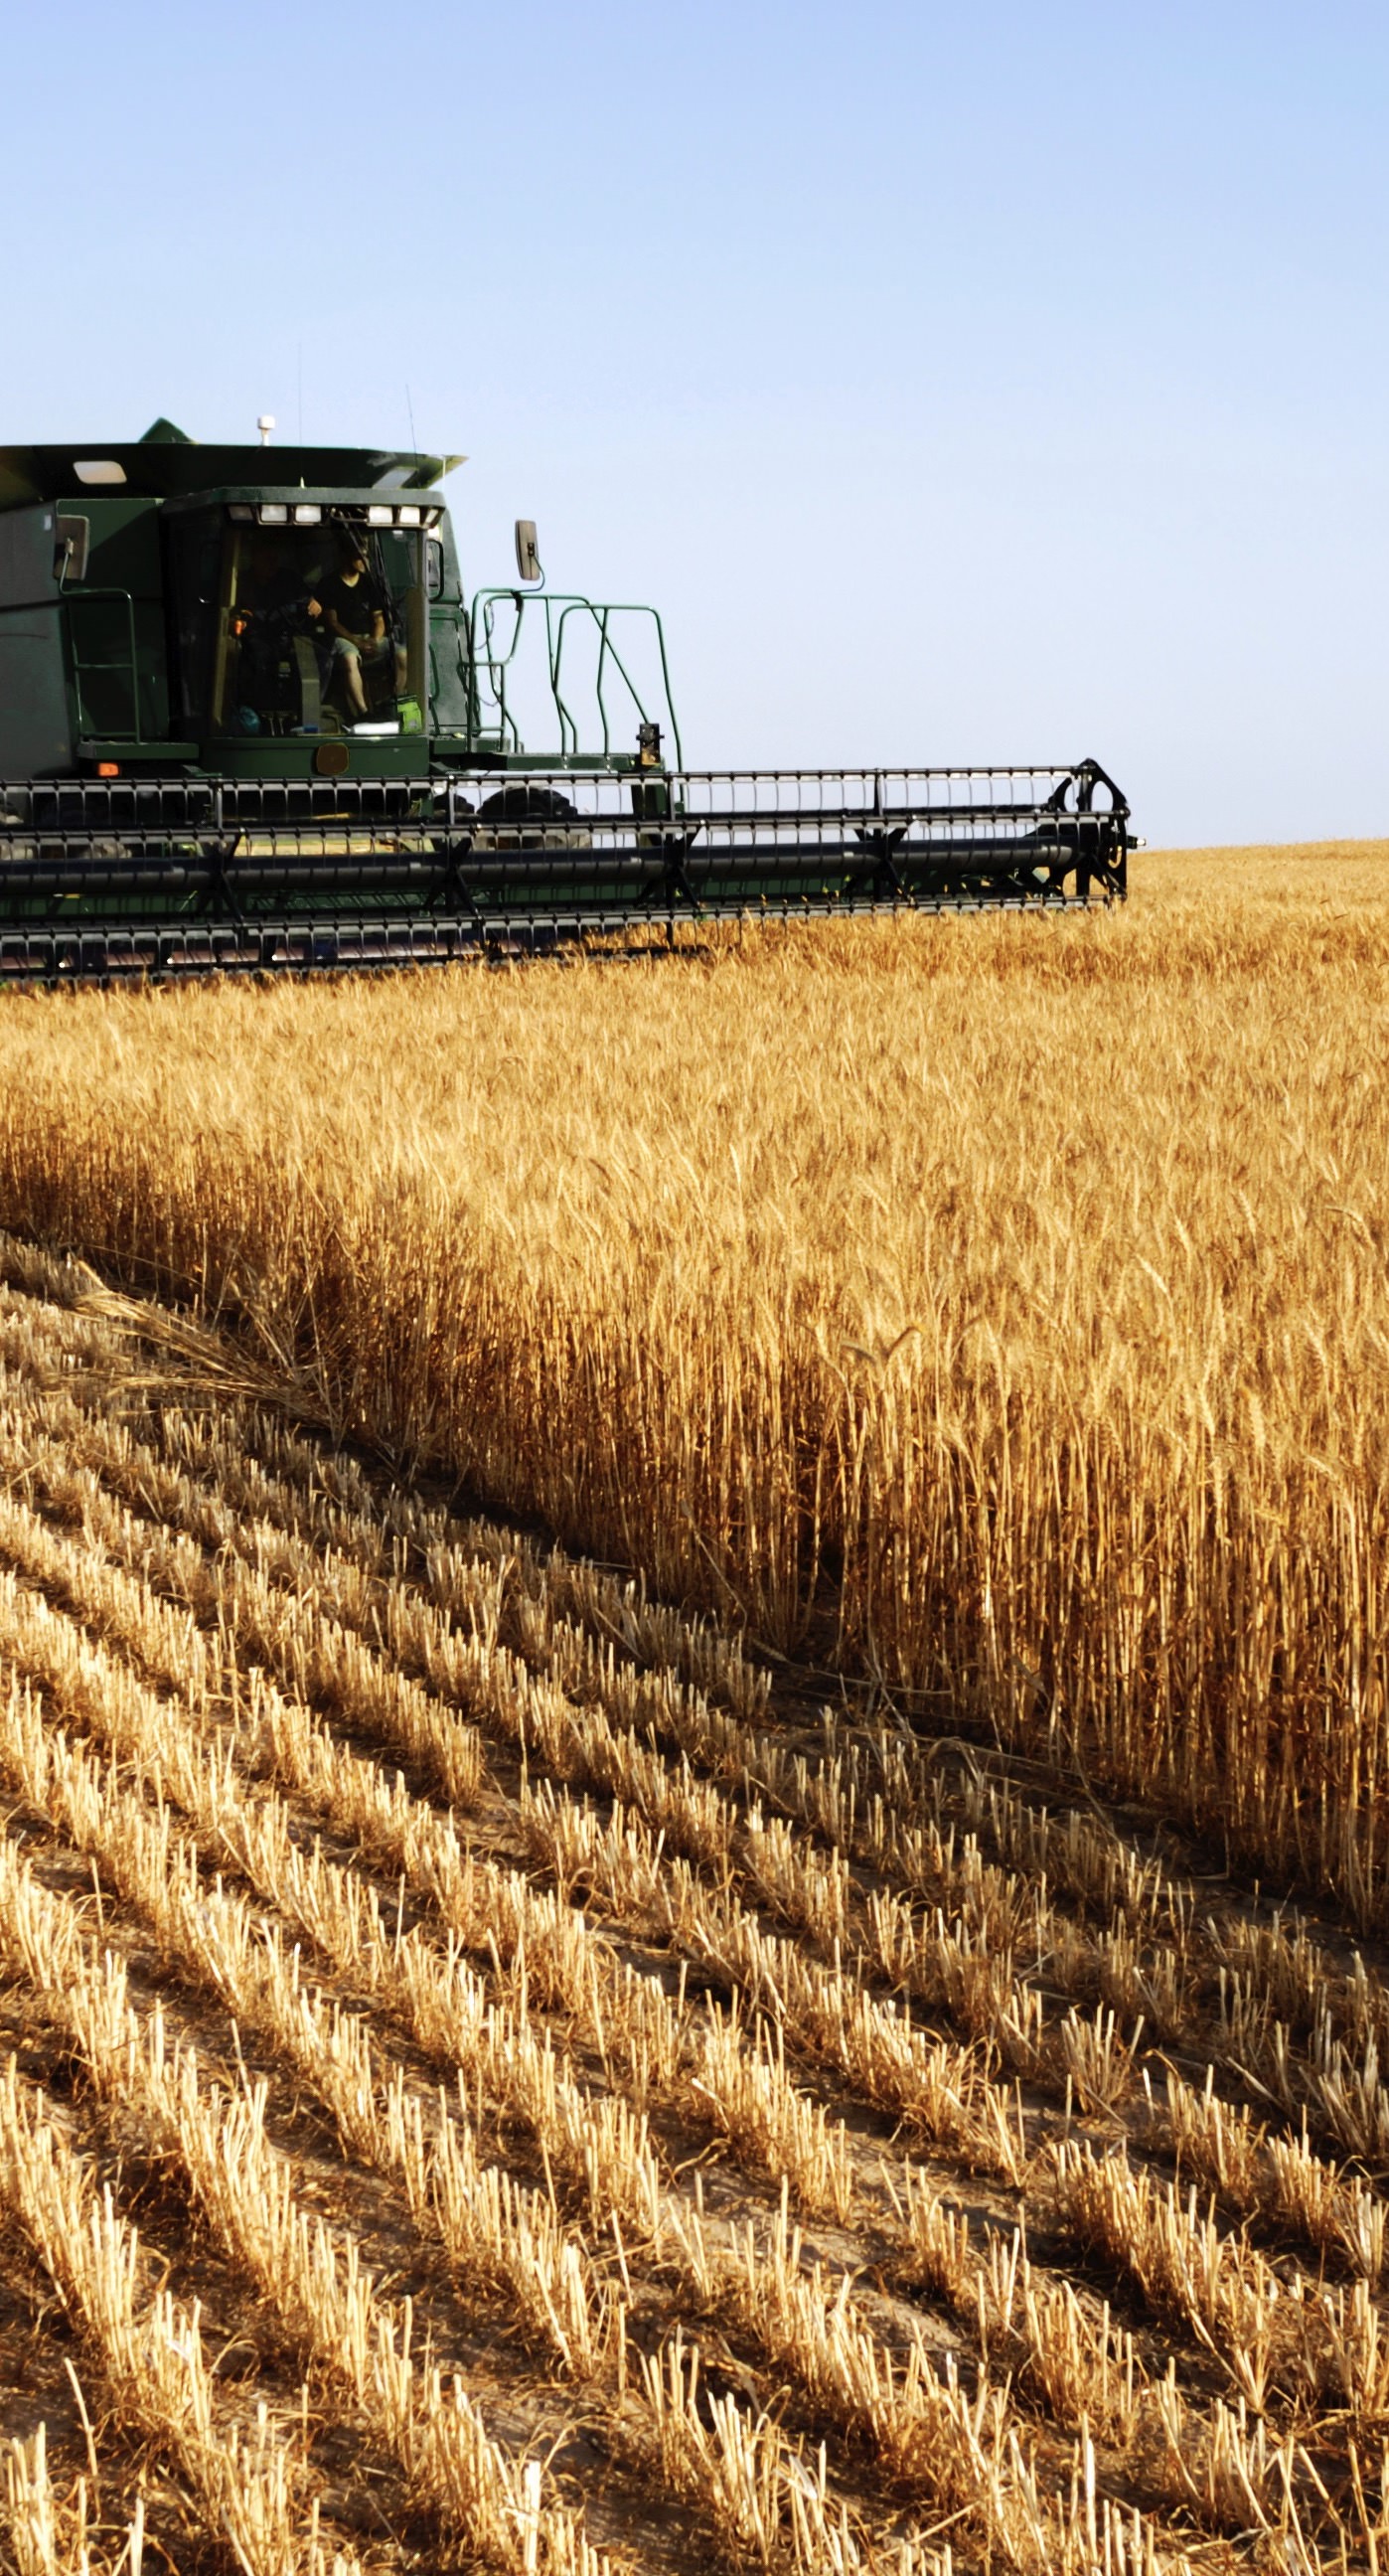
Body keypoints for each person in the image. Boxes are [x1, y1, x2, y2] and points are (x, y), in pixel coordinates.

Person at [315, 534, 406, 723]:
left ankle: (393, 701)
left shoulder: (369, 583)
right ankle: (364, 712)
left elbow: (378, 618)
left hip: (369, 638)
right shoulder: (329, 584)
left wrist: (375, 640)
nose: (364, 560)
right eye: (359, 556)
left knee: (402, 654)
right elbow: (332, 623)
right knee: (350, 658)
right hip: (343, 639)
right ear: (345, 556)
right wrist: (357, 642)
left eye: (366, 555)